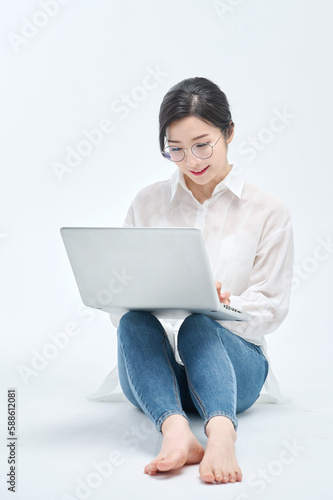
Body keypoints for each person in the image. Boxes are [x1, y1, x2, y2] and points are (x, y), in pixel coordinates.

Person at [93, 77, 294, 484]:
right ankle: (177, 431)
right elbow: (120, 308)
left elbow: (272, 306)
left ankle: (220, 434)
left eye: (203, 144)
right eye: (176, 149)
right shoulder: (146, 203)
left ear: (229, 133)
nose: (191, 160)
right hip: (153, 374)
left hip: (233, 372)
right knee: (133, 322)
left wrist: (221, 306)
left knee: (198, 323)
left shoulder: (268, 211)